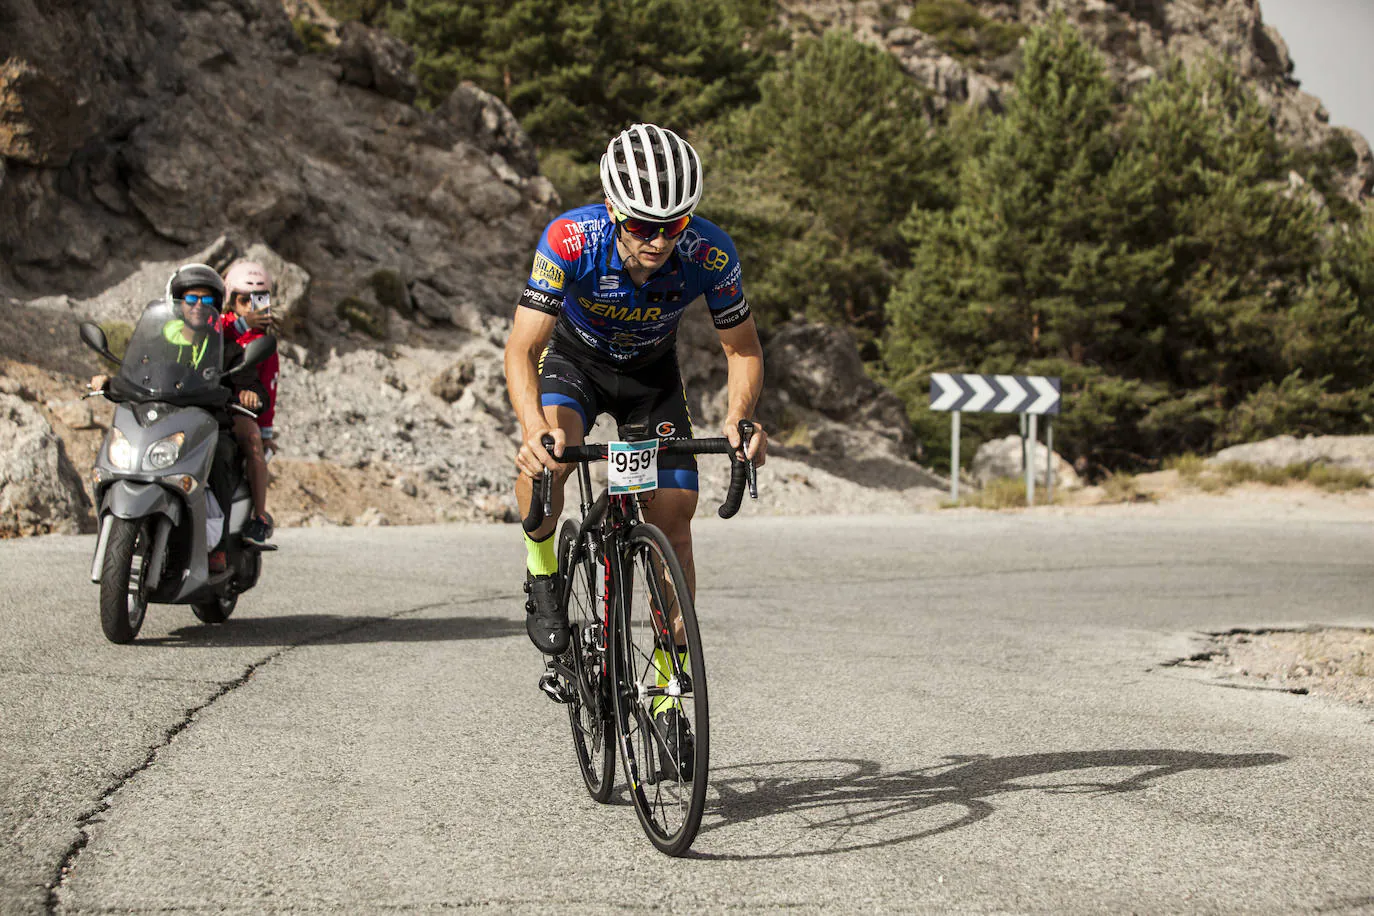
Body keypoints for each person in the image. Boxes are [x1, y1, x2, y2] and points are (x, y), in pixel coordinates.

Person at [505, 122, 769, 665]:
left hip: (652, 379)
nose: (658, 241)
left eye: (672, 226)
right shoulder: (569, 240)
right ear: (611, 209)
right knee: (548, 464)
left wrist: (740, 417)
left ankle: (671, 680)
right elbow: (521, 350)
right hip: (576, 364)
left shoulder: (709, 252)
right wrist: (533, 429)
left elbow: (742, 349)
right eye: (641, 226)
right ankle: (542, 569)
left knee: (675, 519)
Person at [90, 264, 267, 572]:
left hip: (208, 423)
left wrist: (250, 393)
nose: (199, 306)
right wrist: (107, 381)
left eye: (208, 301)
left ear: (216, 306)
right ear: (178, 303)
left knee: (222, 457)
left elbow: (248, 379)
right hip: (161, 419)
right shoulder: (158, 340)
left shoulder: (227, 346)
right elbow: (135, 371)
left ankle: (219, 548)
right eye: (191, 299)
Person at [221, 260, 279, 547]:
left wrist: (266, 433)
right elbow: (210, 338)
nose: (250, 306)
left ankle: (259, 517)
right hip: (204, 402)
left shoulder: (264, 341)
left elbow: (270, 384)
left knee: (253, 442)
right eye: (244, 299)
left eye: (259, 299)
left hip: (237, 411)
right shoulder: (220, 324)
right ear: (231, 300)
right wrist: (242, 324)